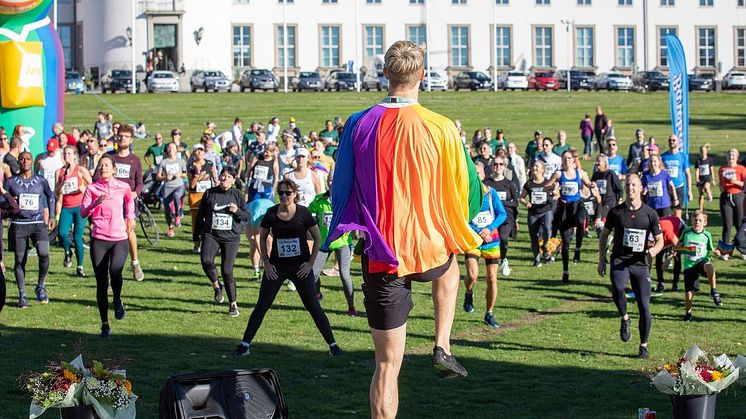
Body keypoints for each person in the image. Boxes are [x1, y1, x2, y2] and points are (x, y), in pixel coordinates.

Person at [324, 41, 483, 418]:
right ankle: (442, 342)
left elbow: (340, 184)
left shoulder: (358, 123)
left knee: (386, 364)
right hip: (429, 244)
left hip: (382, 252)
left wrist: (347, 227)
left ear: (385, 74)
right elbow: (468, 187)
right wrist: (458, 219)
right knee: (450, 266)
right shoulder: (441, 127)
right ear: (422, 76)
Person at [234, 179, 341, 356]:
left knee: (313, 306)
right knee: (262, 306)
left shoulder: (303, 213)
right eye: (281, 193)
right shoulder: (271, 213)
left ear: (295, 195)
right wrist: (266, 263)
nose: (284, 196)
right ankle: (244, 345)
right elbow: (262, 237)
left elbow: (317, 238)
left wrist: (310, 263)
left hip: (300, 268)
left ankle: (333, 345)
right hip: (277, 267)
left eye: (288, 193)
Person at [598, 174, 663, 359]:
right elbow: (604, 235)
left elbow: (660, 240)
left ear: (641, 188)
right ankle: (625, 318)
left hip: (640, 264)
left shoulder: (650, 213)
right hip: (619, 260)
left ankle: (643, 346)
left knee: (644, 306)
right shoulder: (616, 212)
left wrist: (652, 253)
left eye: (634, 185)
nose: (631, 188)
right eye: (628, 185)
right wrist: (601, 259)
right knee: (618, 289)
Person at [80, 155, 136, 338]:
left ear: (114, 169)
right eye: (100, 165)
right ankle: (105, 324)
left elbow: (130, 200)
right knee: (101, 283)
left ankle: (118, 299)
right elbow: (82, 213)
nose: (103, 167)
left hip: (119, 237)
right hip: (99, 238)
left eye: (106, 165)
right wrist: (93, 205)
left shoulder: (123, 187)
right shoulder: (92, 188)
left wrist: (130, 218)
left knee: (116, 271)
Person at [194, 167, 249, 317]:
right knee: (206, 260)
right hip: (211, 234)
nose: (225, 179)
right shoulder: (210, 193)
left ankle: (233, 304)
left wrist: (237, 211)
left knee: (226, 270)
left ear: (233, 179)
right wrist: (195, 237)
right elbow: (200, 216)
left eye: (228, 177)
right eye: (223, 176)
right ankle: (217, 286)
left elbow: (246, 217)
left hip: (231, 238)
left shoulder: (237, 195)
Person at [7, 152, 56, 307]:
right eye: (22, 159)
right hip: (19, 225)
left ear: (32, 161)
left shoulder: (41, 181)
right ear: (18, 162)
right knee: (20, 261)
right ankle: (22, 294)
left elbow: (51, 195)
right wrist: (9, 201)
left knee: (44, 253)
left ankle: (40, 286)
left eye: (28, 159)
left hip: (37, 223)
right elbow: (2, 198)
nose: (25, 161)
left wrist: (52, 215)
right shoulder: (11, 181)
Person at [462, 163, 507, 328]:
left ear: (482, 175)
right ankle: (469, 292)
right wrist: (476, 231)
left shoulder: (491, 192)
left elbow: (502, 214)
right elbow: (462, 217)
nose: (475, 175)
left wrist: (489, 229)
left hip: (491, 241)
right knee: (473, 275)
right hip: (473, 240)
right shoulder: (465, 194)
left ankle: (489, 313)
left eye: (477, 172)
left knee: (492, 279)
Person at [549, 150, 599, 283]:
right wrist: (552, 187)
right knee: (565, 244)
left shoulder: (580, 173)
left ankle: (578, 248)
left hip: (577, 206)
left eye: (568, 158)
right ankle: (565, 271)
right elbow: (547, 185)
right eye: (564, 158)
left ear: (572, 160)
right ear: (562, 160)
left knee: (581, 220)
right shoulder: (559, 174)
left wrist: (592, 185)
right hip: (564, 209)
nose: (566, 160)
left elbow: (588, 183)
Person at [104, 124, 144, 281]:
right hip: (109, 201)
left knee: (128, 230)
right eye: (120, 136)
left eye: (126, 136)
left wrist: (135, 193)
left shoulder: (135, 160)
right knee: (108, 233)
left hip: (127, 201)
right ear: (116, 137)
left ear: (131, 139)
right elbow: (96, 177)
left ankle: (135, 262)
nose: (122, 139)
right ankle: (108, 267)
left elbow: (140, 182)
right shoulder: (108, 157)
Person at [308, 189, 357, 315]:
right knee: (312, 274)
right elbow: (308, 214)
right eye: (331, 180)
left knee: (345, 275)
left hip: (342, 242)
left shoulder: (346, 200)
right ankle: (317, 294)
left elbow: (355, 216)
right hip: (325, 242)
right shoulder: (319, 200)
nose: (333, 183)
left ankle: (351, 306)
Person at [54, 145, 92, 277]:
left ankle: (80, 267)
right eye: (64, 154)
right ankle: (67, 251)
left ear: (75, 155)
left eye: (69, 154)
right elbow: (56, 192)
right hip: (67, 207)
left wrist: (82, 188)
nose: (66, 156)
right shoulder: (60, 172)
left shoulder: (81, 170)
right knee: (62, 233)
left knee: (77, 237)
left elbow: (92, 188)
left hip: (80, 207)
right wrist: (61, 185)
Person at [679, 210, 722, 322]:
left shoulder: (707, 235)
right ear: (691, 221)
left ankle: (714, 291)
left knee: (710, 267)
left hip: (701, 261)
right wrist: (680, 251)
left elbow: (711, 249)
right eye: (695, 220)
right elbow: (678, 246)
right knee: (689, 294)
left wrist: (716, 252)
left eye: (700, 220)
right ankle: (688, 313)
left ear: (705, 223)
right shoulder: (686, 232)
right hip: (689, 266)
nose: (697, 222)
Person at [484, 156, 518, 276]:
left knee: (503, 239)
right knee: (491, 242)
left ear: (504, 167)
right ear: (492, 166)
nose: (498, 166)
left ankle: (503, 259)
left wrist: (500, 203)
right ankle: (491, 265)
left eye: (500, 164)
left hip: (505, 218)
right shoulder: (487, 183)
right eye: (495, 164)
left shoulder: (509, 184)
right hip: (490, 219)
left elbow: (515, 202)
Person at [520, 160, 555, 266]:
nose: (534, 168)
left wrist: (554, 193)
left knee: (547, 229)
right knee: (533, 236)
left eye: (537, 166)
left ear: (542, 170)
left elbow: (555, 193)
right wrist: (526, 203)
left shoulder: (547, 183)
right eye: (533, 166)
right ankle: (537, 259)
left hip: (546, 211)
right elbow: (521, 198)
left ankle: (544, 245)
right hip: (533, 213)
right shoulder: (529, 183)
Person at [187, 144, 218, 253]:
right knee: (196, 221)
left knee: (210, 219)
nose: (199, 153)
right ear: (194, 153)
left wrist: (217, 183)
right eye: (197, 151)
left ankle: (210, 242)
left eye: (201, 150)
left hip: (208, 195)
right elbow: (191, 185)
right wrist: (196, 175)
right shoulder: (191, 165)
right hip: (195, 195)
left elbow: (214, 177)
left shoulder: (209, 163)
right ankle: (196, 243)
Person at [717, 148, 746, 260]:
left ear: (737, 157)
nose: (731, 156)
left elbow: (744, 184)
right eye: (729, 154)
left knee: (740, 225)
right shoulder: (722, 169)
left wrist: (735, 182)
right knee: (727, 225)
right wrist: (721, 187)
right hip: (726, 198)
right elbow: (720, 184)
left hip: (739, 196)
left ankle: (743, 250)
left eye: (733, 155)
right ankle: (725, 251)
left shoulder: (742, 169)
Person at [157, 143, 187, 238]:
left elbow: (185, 174)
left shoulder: (181, 161)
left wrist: (179, 174)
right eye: (169, 148)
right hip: (167, 186)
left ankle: (178, 215)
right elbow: (158, 176)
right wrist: (165, 177)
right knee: (167, 209)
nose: (171, 149)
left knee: (177, 196)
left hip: (179, 185)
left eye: (173, 147)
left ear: (176, 149)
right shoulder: (164, 162)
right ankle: (170, 226)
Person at [660, 134, 692, 218]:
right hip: (666, 188)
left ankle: (677, 230)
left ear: (678, 142)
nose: (671, 142)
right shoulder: (663, 156)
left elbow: (688, 174)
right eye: (670, 140)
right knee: (666, 213)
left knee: (677, 213)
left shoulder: (683, 156)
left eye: (674, 140)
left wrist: (690, 191)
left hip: (678, 187)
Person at [591, 154, 624, 235]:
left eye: (599, 161)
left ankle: (604, 235)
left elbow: (619, 188)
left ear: (605, 163)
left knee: (601, 219)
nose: (597, 163)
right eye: (597, 161)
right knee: (598, 220)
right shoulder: (596, 175)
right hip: (598, 202)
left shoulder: (610, 174)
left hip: (609, 201)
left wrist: (619, 199)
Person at [655, 215, 685, 293]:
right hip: (664, 227)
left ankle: (675, 283)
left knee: (677, 256)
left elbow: (678, 247)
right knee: (658, 257)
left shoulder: (668, 233)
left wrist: (668, 259)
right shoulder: (650, 236)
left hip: (678, 226)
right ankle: (660, 282)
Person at [694, 144, 715, 211]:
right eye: (701, 151)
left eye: (704, 150)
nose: (703, 152)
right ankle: (701, 208)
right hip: (701, 179)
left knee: (706, 187)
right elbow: (697, 170)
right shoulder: (698, 161)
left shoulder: (709, 160)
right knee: (701, 194)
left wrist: (713, 179)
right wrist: (697, 178)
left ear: (706, 151)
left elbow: (712, 170)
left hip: (707, 178)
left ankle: (709, 194)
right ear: (700, 152)